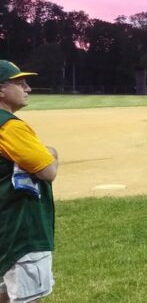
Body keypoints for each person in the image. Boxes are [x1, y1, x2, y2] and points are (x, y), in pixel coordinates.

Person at [0, 60, 59, 303]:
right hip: (21, 230)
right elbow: (48, 170)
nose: (28, 88)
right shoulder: (10, 127)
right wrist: (52, 152)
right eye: (20, 83)